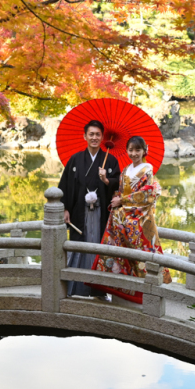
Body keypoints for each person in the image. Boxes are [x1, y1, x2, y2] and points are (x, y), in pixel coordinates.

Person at [90, 135, 171, 303]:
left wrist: (123, 201)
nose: (134, 153)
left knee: (141, 254)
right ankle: (124, 290)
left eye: (138, 150)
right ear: (126, 151)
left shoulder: (147, 169)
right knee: (120, 252)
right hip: (122, 216)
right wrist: (115, 197)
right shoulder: (126, 169)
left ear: (144, 151)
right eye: (131, 150)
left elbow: (147, 194)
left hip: (139, 218)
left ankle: (148, 292)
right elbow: (120, 191)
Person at [58, 119, 121, 297]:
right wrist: (65, 209)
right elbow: (66, 185)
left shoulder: (110, 161)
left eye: (97, 134)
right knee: (79, 245)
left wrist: (107, 180)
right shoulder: (75, 159)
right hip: (79, 212)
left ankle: (99, 289)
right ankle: (75, 287)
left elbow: (119, 186)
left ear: (102, 137)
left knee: (98, 245)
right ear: (84, 136)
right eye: (91, 134)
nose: (94, 138)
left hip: (101, 214)